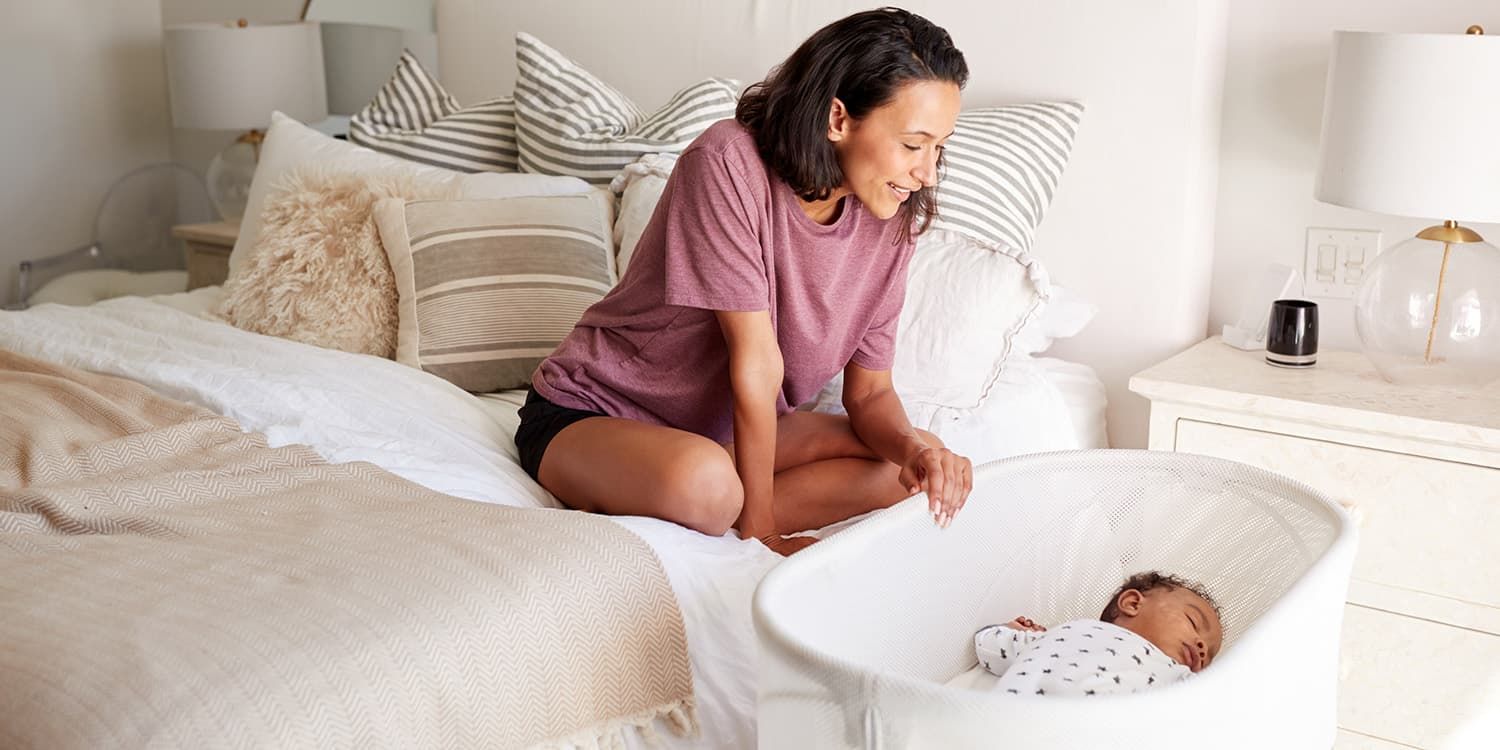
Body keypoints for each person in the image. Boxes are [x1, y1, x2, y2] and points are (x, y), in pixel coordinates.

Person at [514, 8, 974, 555]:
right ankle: (724, 499)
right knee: (708, 487)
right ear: (838, 120)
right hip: (594, 413)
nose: (926, 172)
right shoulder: (728, 161)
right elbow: (756, 363)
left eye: (938, 148)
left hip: (722, 437)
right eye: (913, 144)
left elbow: (871, 392)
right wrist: (761, 532)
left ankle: (729, 490)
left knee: (914, 466)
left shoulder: (892, 221)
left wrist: (913, 452)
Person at [973, 572, 1224, 696]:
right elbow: (988, 645)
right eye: (1192, 622)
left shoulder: (1179, 680)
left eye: (1209, 658)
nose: (1202, 647)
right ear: (1133, 604)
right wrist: (1012, 631)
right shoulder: (1064, 634)